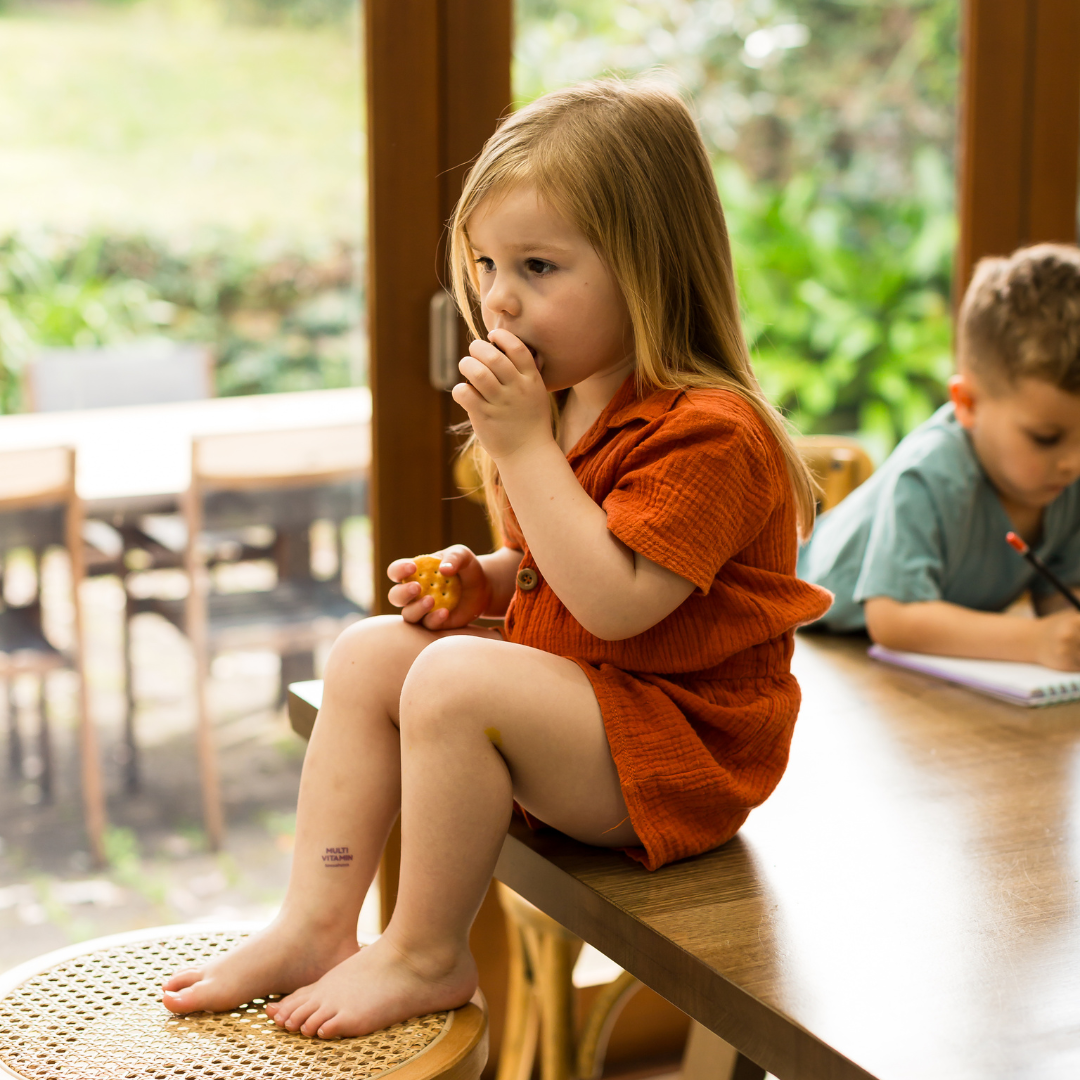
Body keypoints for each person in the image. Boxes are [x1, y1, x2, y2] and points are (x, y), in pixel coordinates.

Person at [161, 78, 831, 1039]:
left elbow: (618, 599)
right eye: (483, 262)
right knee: (366, 654)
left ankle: (427, 952)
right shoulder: (570, 396)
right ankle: (313, 924)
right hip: (599, 705)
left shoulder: (712, 434)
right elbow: (561, 557)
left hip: (683, 750)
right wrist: (486, 574)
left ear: (649, 267)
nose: (498, 296)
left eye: (539, 266)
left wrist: (520, 450)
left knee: (456, 680)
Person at [799, 244, 1080, 669]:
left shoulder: (1063, 482)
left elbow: (1057, 594)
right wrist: (1036, 641)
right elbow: (892, 619)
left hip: (906, 663)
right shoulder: (930, 471)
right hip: (808, 626)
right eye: (1046, 437)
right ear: (967, 403)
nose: (1073, 462)